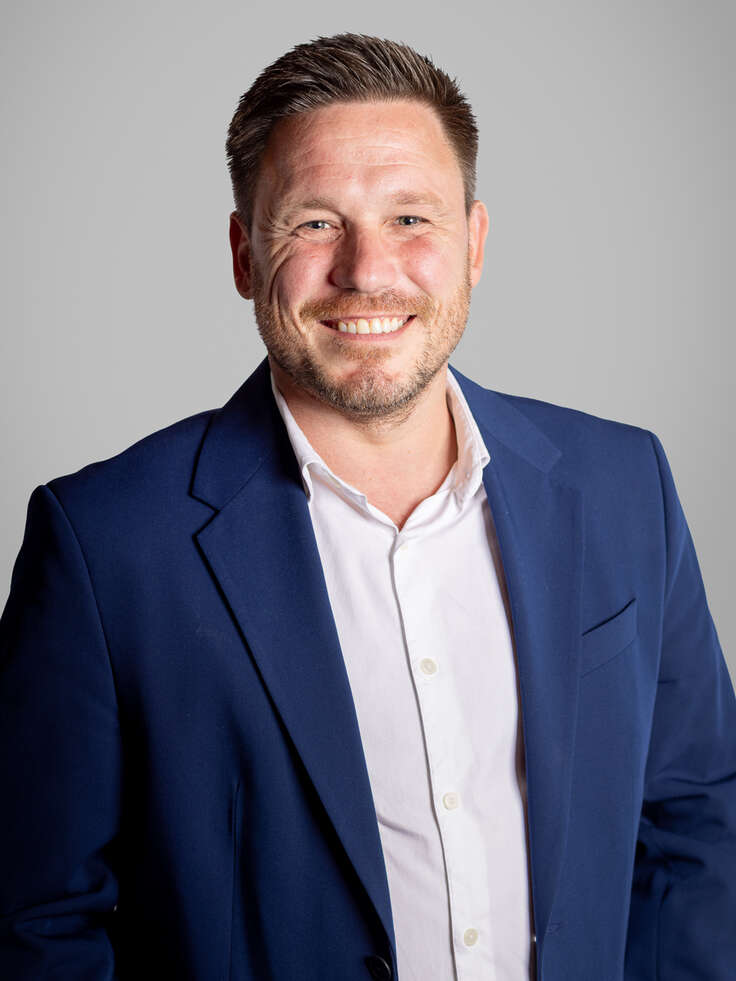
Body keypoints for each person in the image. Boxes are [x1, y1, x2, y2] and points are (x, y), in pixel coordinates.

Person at [0, 32, 734, 981]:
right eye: (314, 223)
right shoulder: (104, 547)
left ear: (474, 243)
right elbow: (37, 921)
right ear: (244, 253)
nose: (367, 269)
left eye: (410, 218)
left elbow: (696, 825)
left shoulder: (624, 483)